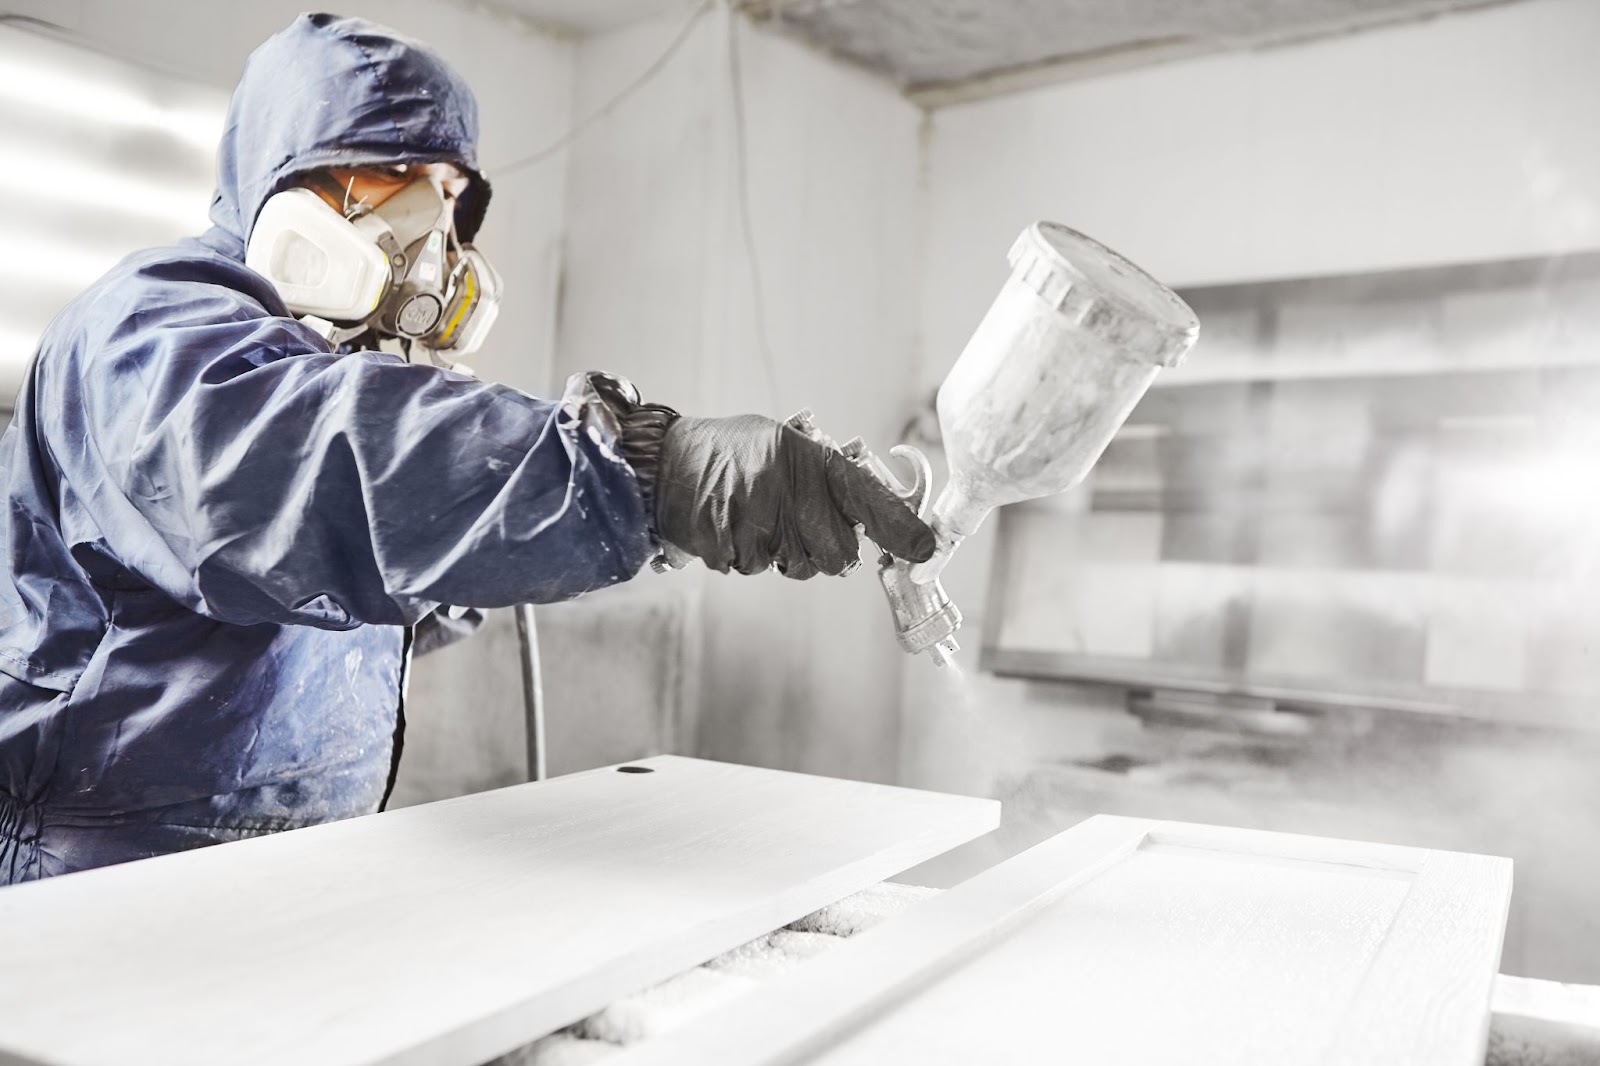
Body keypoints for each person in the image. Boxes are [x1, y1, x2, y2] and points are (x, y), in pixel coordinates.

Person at [0, 14, 934, 884]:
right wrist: (646, 473)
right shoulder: (152, 328)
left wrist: (658, 526)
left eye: (453, 196)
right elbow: (311, 471)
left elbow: (378, 584)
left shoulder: (323, 365)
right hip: (87, 878)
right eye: (402, 178)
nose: (435, 233)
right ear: (292, 185)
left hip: (274, 881)